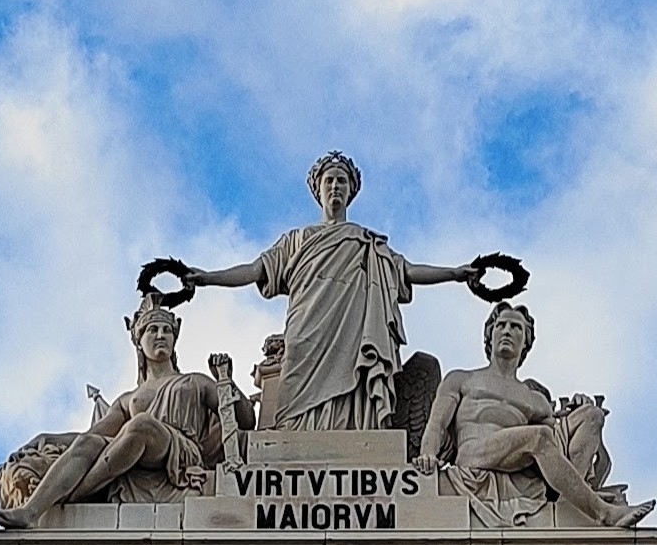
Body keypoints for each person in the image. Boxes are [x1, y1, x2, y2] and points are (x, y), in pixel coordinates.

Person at [166, 153, 482, 429]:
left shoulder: (366, 242)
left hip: (351, 333)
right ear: (318, 189)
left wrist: (455, 273)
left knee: (350, 397)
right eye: (329, 180)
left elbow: (408, 271)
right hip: (306, 330)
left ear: (351, 191)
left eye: (342, 181)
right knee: (292, 402)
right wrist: (207, 277)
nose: (335, 187)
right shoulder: (296, 240)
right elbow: (253, 271)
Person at [0, 299, 250, 525]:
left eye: (167, 331)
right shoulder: (128, 399)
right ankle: (31, 510)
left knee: (141, 426)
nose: (161, 335)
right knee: (88, 442)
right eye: (153, 330)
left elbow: (247, 420)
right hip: (138, 453)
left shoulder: (195, 381)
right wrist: (47, 438)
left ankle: (76, 494)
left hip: (179, 453)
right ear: (140, 342)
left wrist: (226, 381)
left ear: (174, 339)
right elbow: (93, 435)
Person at [417, 302, 649, 526]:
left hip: (514, 460)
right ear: (490, 335)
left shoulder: (534, 399)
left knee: (592, 416)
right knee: (538, 437)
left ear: (525, 342)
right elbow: (436, 424)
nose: (507, 331)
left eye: (516, 327)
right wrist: (428, 452)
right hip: (474, 455)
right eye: (501, 325)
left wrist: (581, 407)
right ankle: (602, 513)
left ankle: (568, 506)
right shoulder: (462, 379)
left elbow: (558, 442)